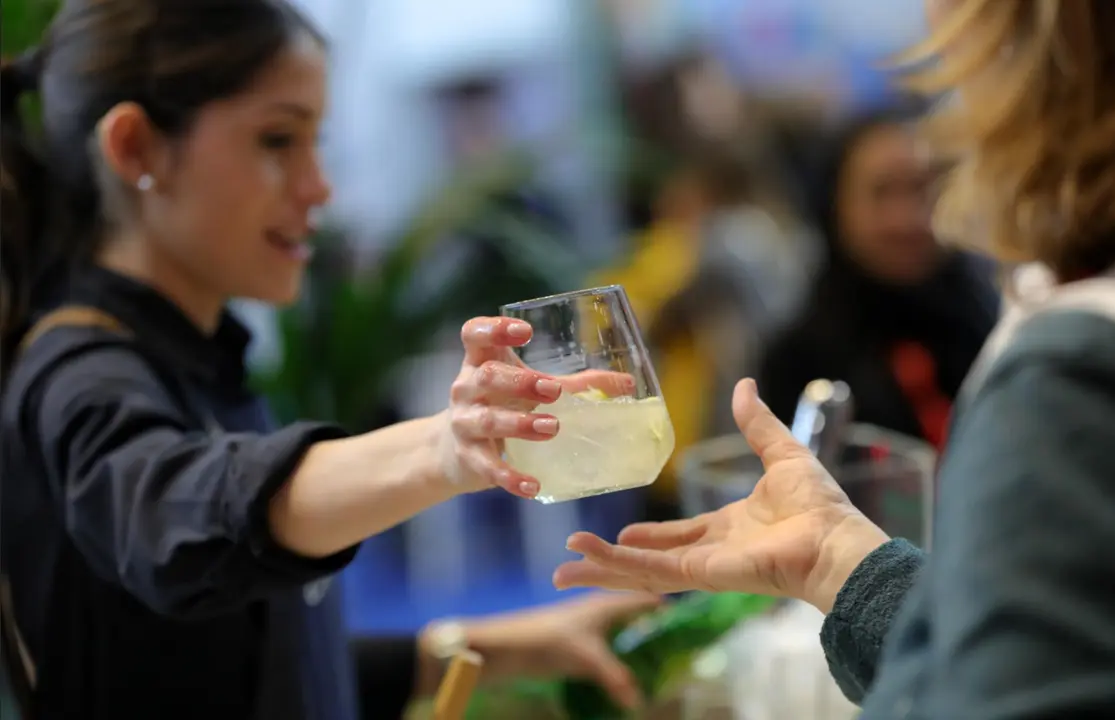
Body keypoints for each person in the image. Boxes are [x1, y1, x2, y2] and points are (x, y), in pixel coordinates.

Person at [0, 2, 656, 719]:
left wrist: (504, 649)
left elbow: (236, 665)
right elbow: (176, 519)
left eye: (317, 143)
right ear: (135, 148)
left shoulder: (195, 360)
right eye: (277, 140)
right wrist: (444, 447)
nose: (318, 187)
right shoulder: (78, 374)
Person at [553, 0, 1115, 716]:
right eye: (883, 193)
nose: (916, 215)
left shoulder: (1058, 364)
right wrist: (845, 564)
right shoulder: (808, 339)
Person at [758, 107, 1000, 452]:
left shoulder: (988, 322)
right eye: (882, 193)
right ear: (835, 206)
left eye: (921, 190)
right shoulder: (798, 360)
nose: (905, 218)